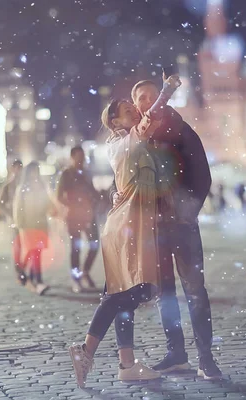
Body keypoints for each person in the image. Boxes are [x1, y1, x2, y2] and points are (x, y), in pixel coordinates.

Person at [68, 75, 181, 388]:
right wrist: (167, 91)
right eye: (128, 110)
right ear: (115, 122)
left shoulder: (128, 142)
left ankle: (126, 363)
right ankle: (87, 350)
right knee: (130, 292)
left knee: (126, 293)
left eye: (134, 108)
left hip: (133, 223)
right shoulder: (124, 141)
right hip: (128, 226)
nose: (135, 110)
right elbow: (150, 120)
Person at [109, 77, 222, 380]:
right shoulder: (138, 138)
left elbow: (202, 174)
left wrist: (188, 212)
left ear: (162, 98)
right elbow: (120, 179)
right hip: (153, 229)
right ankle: (177, 355)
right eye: (140, 98)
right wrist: (115, 195)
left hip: (181, 224)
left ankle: (206, 359)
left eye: (151, 96)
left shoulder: (181, 130)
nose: (145, 102)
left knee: (195, 291)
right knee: (165, 294)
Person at [56, 146, 100, 292]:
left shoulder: (87, 173)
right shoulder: (66, 174)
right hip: (74, 217)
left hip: (89, 214)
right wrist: (73, 205)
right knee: (76, 248)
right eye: (78, 156)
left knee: (95, 244)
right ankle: (76, 279)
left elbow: (93, 191)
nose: (81, 159)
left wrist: (96, 200)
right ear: (72, 157)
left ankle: (85, 271)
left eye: (83, 156)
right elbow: (59, 196)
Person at [13, 162, 53, 295]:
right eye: (33, 171)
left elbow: (48, 203)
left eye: (37, 171)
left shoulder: (42, 186)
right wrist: (20, 226)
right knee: (34, 252)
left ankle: (23, 274)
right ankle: (38, 281)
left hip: (41, 224)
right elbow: (18, 208)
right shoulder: (23, 188)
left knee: (35, 252)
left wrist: (53, 210)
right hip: (28, 225)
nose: (35, 174)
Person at [0, 160, 25, 283]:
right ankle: (19, 271)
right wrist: (11, 213)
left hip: (27, 219)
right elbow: (0, 204)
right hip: (15, 221)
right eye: (16, 167)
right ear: (12, 169)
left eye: (20, 167)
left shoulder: (26, 184)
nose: (18, 170)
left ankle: (26, 270)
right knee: (18, 245)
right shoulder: (9, 185)